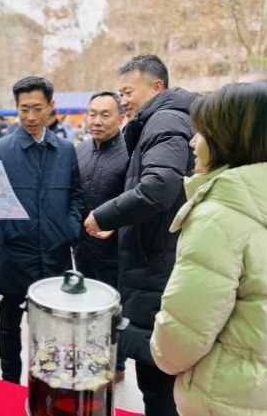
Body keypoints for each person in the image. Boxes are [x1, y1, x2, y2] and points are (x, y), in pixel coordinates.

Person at [151, 82, 267, 416]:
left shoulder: (219, 217)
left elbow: (178, 344)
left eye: (201, 132)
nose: (192, 141)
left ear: (228, 138)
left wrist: (161, 350)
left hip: (225, 399)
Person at [83, 55, 195, 416]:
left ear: (157, 86)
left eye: (128, 92)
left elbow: (159, 186)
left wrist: (104, 215)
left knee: (158, 383)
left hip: (158, 263)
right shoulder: (157, 121)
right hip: (153, 257)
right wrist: (122, 221)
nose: (124, 100)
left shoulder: (166, 119)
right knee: (156, 378)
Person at [0, 76, 84, 384]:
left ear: (51, 106)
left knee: (53, 329)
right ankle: (9, 382)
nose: (30, 117)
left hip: (56, 256)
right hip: (14, 256)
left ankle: (48, 384)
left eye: (37, 108)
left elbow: (76, 196)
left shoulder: (66, 150)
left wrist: (69, 230)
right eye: (24, 109)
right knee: (8, 328)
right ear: (16, 108)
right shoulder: (1, 149)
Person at [75, 92, 128, 288]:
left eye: (105, 115)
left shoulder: (130, 153)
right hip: (81, 253)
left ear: (120, 119)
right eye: (92, 114)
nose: (97, 121)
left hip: (115, 258)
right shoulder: (80, 150)